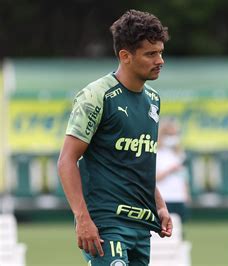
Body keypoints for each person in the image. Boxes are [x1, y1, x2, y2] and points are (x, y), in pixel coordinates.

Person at [57, 10, 172, 265]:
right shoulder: (96, 96)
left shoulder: (153, 100)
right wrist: (82, 219)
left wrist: (160, 206)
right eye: (151, 54)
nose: (160, 60)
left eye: (161, 52)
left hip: (142, 225)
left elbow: (136, 163)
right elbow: (66, 160)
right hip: (106, 224)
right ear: (125, 56)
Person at [156, 118, 190, 223]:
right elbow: (154, 178)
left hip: (179, 197)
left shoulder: (179, 154)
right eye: (169, 135)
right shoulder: (157, 153)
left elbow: (183, 176)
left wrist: (186, 194)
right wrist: (170, 170)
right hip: (164, 198)